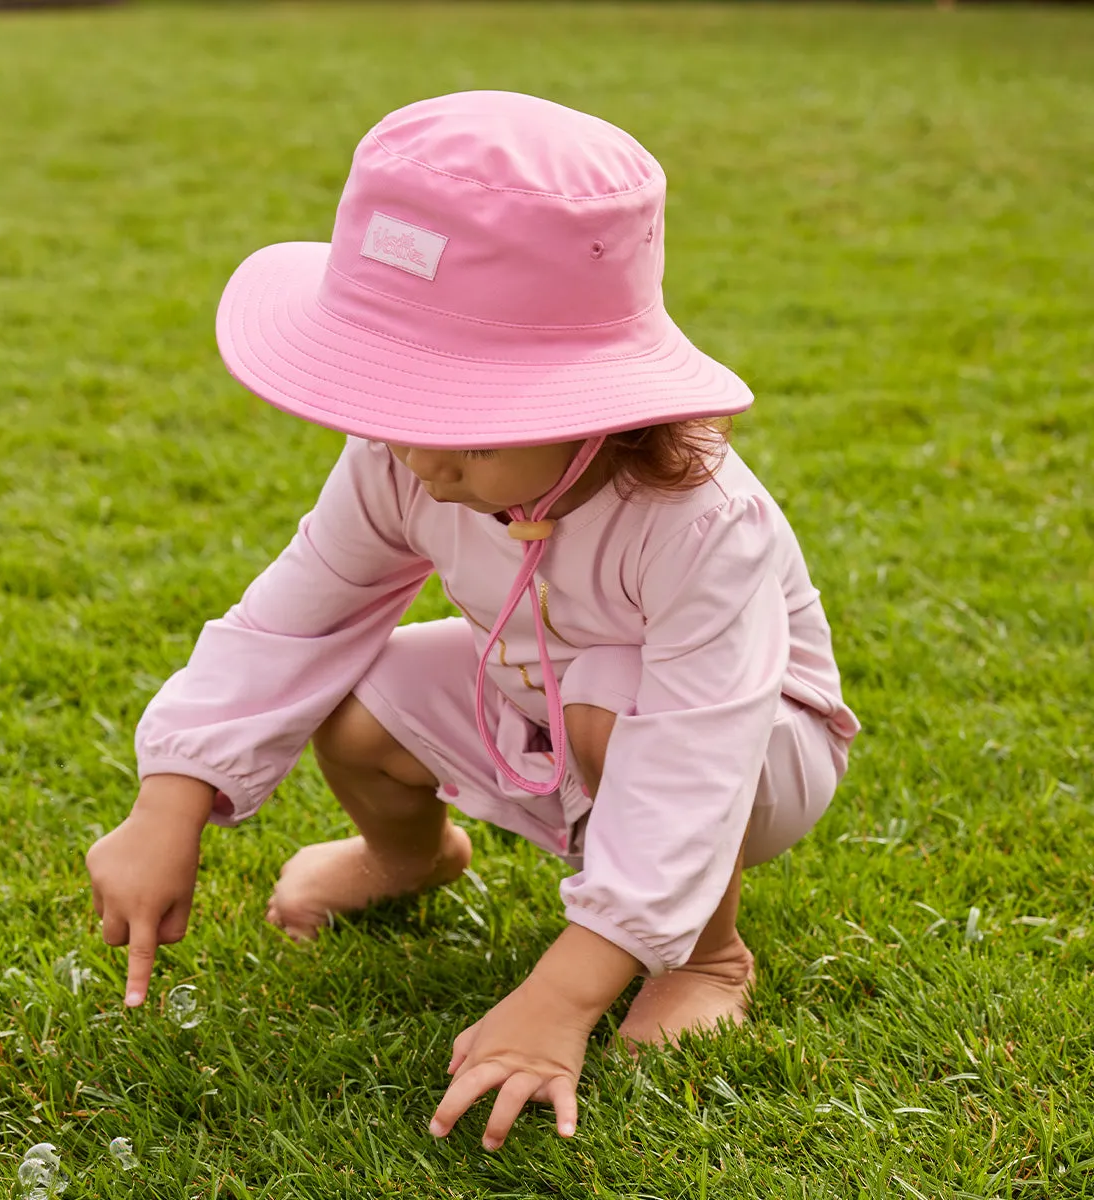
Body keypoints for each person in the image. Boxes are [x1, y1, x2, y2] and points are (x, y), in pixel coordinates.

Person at [85, 90, 860, 1152]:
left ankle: (706, 956)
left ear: (603, 404)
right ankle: (407, 855)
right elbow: (297, 620)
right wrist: (168, 800)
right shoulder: (407, 456)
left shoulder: (698, 521)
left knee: (609, 696)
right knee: (357, 700)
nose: (421, 457)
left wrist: (566, 991)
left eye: (466, 423)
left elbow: (698, 750)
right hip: (538, 691)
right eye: (393, 403)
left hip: (755, 750)